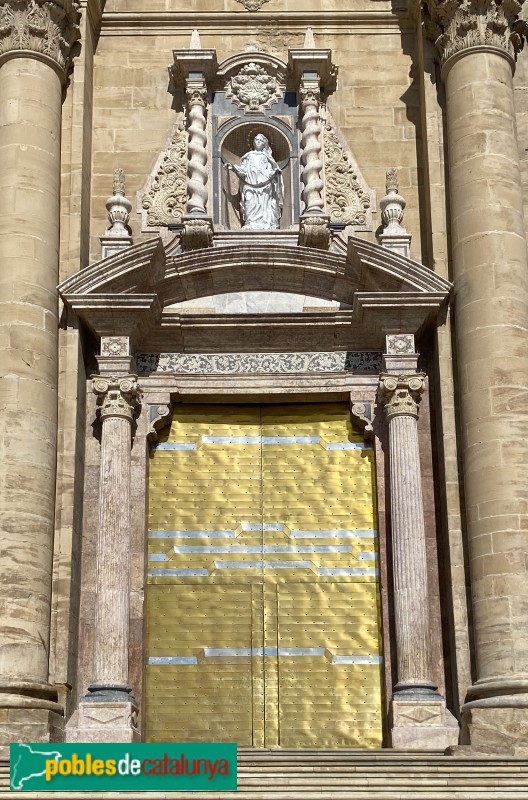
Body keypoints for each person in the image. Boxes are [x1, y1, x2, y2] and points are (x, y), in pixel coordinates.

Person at [226, 133, 283, 230]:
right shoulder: (248, 156)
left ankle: (265, 222)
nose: (259, 142)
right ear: (253, 142)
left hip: (265, 184)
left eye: (261, 140)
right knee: (249, 200)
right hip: (250, 184)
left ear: (264, 144)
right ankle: (250, 222)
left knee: (264, 203)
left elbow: (269, 170)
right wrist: (233, 168)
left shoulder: (266, 157)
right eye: (257, 140)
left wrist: (274, 173)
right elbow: (243, 169)